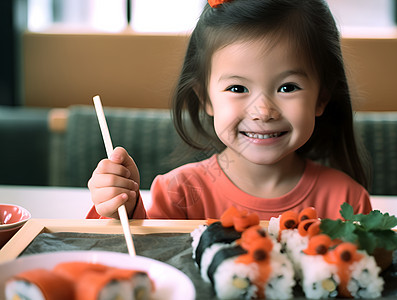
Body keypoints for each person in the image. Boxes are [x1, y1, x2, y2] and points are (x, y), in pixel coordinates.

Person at [87, 0, 372, 221]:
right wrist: (119, 209)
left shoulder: (347, 200)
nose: (263, 111)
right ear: (206, 99)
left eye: (287, 88)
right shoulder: (180, 192)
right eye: (237, 89)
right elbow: (143, 269)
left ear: (321, 98)